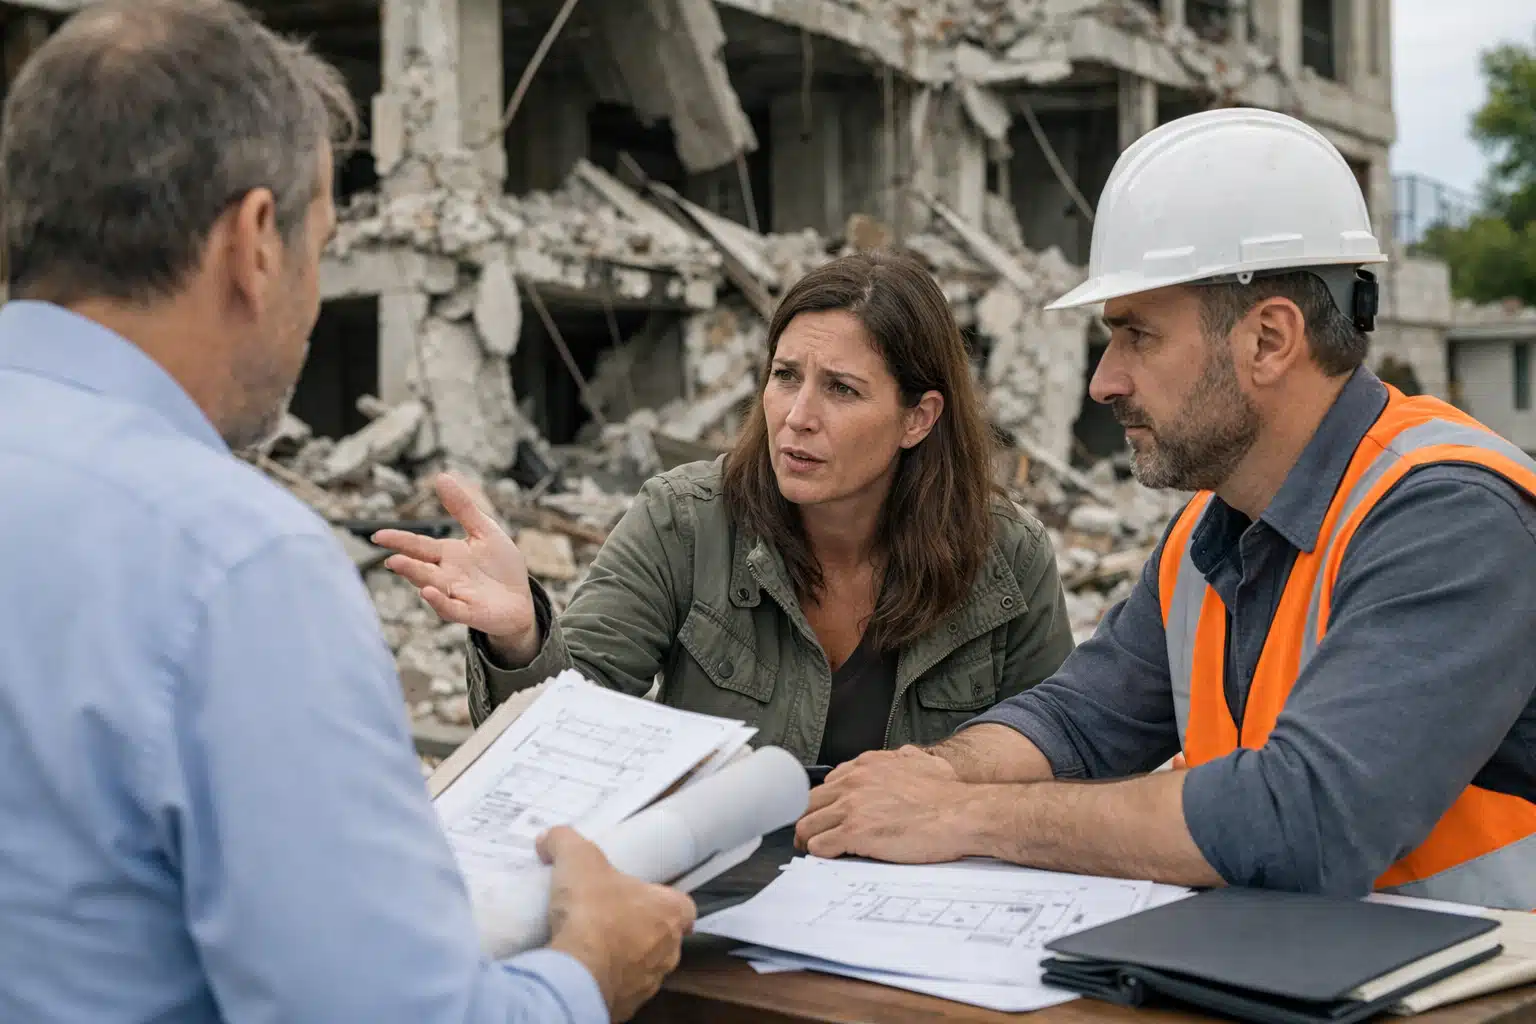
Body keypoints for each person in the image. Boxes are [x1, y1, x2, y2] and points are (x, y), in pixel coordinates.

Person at [0, 3, 693, 1022]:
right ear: (254, 243)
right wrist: (589, 970)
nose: (316, 300)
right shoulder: (234, 563)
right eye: (321, 245)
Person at [795, 107, 1536, 912]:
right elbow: (1081, 719)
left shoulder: (1454, 518)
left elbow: (1304, 821)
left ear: (1268, 340)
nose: (1103, 381)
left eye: (1137, 335)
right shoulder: (1209, 535)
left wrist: (960, 814)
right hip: (1321, 965)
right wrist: (931, 773)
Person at [375, 250, 1076, 766]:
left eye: (841, 389)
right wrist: (519, 638)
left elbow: (1058, 748)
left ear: (918, 418)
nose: (797, 416)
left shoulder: (1007, 561)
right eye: (785, 377)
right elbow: (565, 728)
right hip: (720, 891)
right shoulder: (684, 521)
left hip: (912, 899)